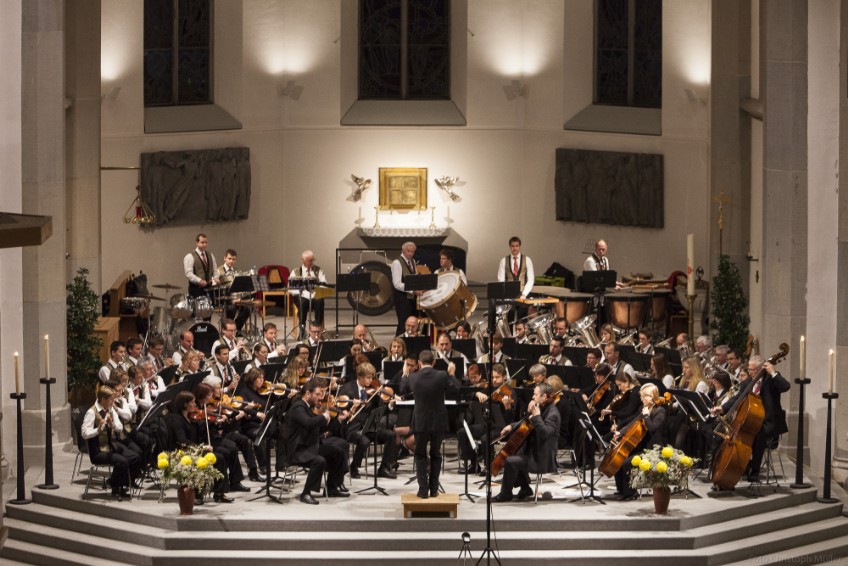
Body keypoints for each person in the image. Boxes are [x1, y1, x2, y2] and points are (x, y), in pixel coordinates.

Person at [713, 355, 790, 483]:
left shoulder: (770, 380)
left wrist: (773, 372)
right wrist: (722, 408)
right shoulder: (748, 382)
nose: (749, 372)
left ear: (761, 369)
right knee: (738, 432)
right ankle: (741, 466)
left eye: (752, 370)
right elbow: (736, 398)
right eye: (749, 369)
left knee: (758, 436)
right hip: (752, 420)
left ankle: (754, 473)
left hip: (769, 422)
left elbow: (786, 386)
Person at [400, 350, 460, 499]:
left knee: (420, 454)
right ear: (433, 362)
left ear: (419, 363)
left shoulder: (413, 377)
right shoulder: (442, 375)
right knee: (436, 453)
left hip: (421, 421)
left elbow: (402, 390)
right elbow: (455, 389)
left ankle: (423, 490)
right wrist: (451, 373)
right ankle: (434, 489)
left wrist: (404, 374)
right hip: (439, 420)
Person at [491, 382, 560, 502]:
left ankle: (505, 494)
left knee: (510, 461)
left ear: (544, 397)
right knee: (514, 452)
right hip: (534, 450)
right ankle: (525, 488)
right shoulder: (541, 407)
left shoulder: (553, 413)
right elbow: (526, 423)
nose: (533, 397)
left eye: (535, 394)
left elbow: (545, 434)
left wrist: (536, 416)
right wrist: (511, 426)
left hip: (542, 457)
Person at [285, 377, 350, 504]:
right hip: (298, 449)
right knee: (319, 461)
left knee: (338, 452)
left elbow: (319, 429)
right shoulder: (298, 407)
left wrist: (338, 419)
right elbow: (309, 423)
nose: (320, 398)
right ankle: (306, 493)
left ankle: (331, 488)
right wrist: (323, 416)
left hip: (310, 445)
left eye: (322, 394)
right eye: (318, 394)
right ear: (308, 393)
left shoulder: (308, 407)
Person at [165, 390, 235, 503]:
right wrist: (202, 448)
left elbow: (199, 435)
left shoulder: (192, 418)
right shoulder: (176, 420)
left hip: (194, 449)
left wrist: (214, 424)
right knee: (216, 458)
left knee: (221, 456)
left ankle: (219, 493)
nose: (195, 405)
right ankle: (197, 494)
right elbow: (182, 441)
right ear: (184, 404)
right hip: (182, 451)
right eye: (192, 403)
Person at [339, 363, 399, 479]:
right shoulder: (347, 389)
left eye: (371, 377)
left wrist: (390, 404)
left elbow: (381, 409)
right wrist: (352, 408)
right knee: (364, 441)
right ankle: (354, 467)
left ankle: (384, 468)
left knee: (391, 435)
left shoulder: (373, 392)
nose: (370, 381)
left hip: (368, 427)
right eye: (367, 378)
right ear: (360, 377)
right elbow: (340, 408)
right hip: (351, 428)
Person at [81, 386, 142, 498]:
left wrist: (112, 424)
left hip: (111, 445)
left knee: (135, 457)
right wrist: (98, 430)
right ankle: (116, 487)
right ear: (103, 399)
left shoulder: (110, 409)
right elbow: (84, 433)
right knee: (122, 461)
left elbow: (119, 428)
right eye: (111, 399)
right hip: (98, 450)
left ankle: (122, 484)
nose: (113, 402)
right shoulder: (91, 412)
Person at [612, 383, 669, 500]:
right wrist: (620, 432)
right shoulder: (644, 409)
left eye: (644, 396)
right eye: (641, 396)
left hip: (653, 449)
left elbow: (653, 428)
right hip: (641, 446)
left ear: (651, 396)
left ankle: (631, 493)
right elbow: (632, 423)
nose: (641, 399)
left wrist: (647, 416)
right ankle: (622, 490)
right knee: (618, 459)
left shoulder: (660, 411)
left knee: (626, 463)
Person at [290, 250, 328, 332]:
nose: (312, 262)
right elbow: (292, 288)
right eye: (309, 260)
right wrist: (304, 293)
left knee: (320, 301)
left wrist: (316, 293)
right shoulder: (296, 271)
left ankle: (318, 328)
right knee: (302, 302)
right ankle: (302, 329)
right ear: (303, 260)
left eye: (313, 260)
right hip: (302, 296)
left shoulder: (318, 270)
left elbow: (324, 284)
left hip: (315, 295)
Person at [497, 236, 534, 319]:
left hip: (523, 293)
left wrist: (524, 294)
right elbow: (501, 280)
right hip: (509, 295)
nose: (515, 248)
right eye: (513, 246)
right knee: (509, 319)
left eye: (516, 246)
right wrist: (506, 295)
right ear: (510, 247)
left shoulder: (527, 260)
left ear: (519, 246)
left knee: (522, 320)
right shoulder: (503, 260)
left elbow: (531, 279)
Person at [391, 241, 422, 337]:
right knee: (403, 323)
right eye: (409, 251)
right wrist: (412, 290)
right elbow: (397, 284)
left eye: (413, 252)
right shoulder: (397, 263)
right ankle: (399, 342)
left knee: (412, 323)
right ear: (403, 250)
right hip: (402, 299)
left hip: (411, 298)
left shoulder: (412, 261)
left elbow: (415, 277)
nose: (410, 254)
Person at [217, 249, 250, 331]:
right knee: (232, 309)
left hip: (236, 298)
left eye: (233, 259)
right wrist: (230, 300)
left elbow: (240, 288)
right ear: (225, 258)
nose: (231, 261)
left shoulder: (237, 271)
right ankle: (228, 329)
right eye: (229, 258)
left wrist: (239, 299)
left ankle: (236, 329)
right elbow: (215, 289)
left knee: (247, 309)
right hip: (224, 299)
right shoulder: (218, 271)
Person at [183, 233, 219, 298]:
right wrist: (199, 281)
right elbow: (188, 273)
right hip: (196, 290)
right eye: (202, 242)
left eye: (206, 242)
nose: (205, 244)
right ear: (197, 243)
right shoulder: (190, 256)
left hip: (209, 289)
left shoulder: (211, 255)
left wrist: (216, 277)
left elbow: (215, 270)